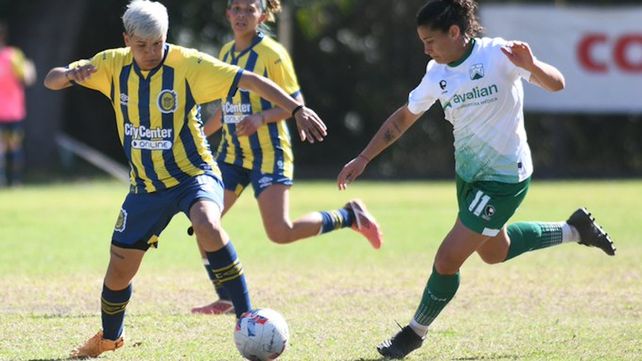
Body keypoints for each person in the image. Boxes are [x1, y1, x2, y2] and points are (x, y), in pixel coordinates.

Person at [44, 0, 327, 358]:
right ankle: (110, 337)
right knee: (119, 271)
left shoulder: (188, 64)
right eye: (141, 45)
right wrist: (70, 74)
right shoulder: (111, 64)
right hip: (146, 188)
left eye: (157, 43)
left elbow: (250, 81)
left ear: (166, 36)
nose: (150, 52)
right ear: (127, 39)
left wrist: (298, 109)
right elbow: (50, 79)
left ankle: (246, 317)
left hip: (194, 174)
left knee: (209, 222)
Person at [336, 0, 616, 358]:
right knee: (494, 252)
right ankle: (576, 229)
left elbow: (557, 84)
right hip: (469, 177)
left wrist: (531, 66)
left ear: (455, 32)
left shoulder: (499, 55)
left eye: (430, 40)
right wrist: (364, 157)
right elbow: (403, 118)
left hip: (504, 179)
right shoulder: (437, 72)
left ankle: (413, 333)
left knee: (447, 259)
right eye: (422, 41)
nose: (426, 48)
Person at [190, 0, 384, 316]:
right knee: (204, 222)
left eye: (249, 9)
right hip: (230, 156)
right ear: (227, 13)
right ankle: (225, 296)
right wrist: (198, 135)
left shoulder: (272, 54)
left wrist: (261, 118)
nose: (241, 15)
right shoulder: (225, 54)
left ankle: (349, 216)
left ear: (263, 16)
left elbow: (296, 105)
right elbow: (226, 110)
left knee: (280, 232)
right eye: (235, 8)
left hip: (269, 154)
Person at [0, 21, 36, 187]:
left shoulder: (13, 56)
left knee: (9, 147)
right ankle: (15, 182)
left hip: (12, 111)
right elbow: (29, 77)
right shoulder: (15, 55)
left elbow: (27, 78)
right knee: (12, 147)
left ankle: (11, 180)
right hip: (13, 111)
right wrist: (30, 67)